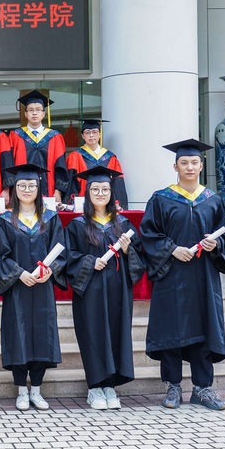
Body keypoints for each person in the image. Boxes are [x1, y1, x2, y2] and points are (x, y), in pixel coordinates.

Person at [140, 139, 225, 410]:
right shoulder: (161, 198)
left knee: (204, 328)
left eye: (194, 162)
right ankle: (173, 387)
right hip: (172, 274)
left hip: (203, 275)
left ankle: (202, 388)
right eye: (184, 163)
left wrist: (215, 245)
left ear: (201, 166)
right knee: (171, 329)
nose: (190, 167)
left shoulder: (212, 200)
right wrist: (172, 249)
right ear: (176, 166)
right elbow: (148, 233)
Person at [65, 166, 145, 410]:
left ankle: (110, 386)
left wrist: (127, 249)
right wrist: (90, 262)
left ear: (112, 193)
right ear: (88, 193)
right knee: (93, 333)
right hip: (90, 291)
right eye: (95, 189)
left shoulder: (123, 224)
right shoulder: (77, 225)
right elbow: (68, 257)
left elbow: (140, 257)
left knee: (116, 333)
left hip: (118, 290)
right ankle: (94, 387)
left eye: (105, 189)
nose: (100, 193)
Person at [0, 163, 67, 411]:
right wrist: (19, 273)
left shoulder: (51, 218)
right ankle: (21, 391)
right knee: (19, 336)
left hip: (42, 287)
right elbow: (1, 255)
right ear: (14, 189)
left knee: (41, 336)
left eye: (31, 185)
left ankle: (36, 390)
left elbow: (60, 251)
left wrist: (50, 270)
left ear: (39, 188)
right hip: (18, 288)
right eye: (22, 185)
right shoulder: (5, 220)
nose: (27, 189)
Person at [8, 91, 69, 203]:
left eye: (38, 110)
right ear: (25, 114)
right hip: (22, 190)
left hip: (49, 191)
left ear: (43, 113)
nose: (34, 113)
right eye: (31, 110)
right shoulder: (15, 136)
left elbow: (60, 166)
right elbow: (10, 165)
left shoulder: (55, 137)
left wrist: (58, 190)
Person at [66, 119, 129, 208]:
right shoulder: (75, 156)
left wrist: (118, 205)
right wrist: (73, 204)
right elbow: (71, 185)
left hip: (106, 205)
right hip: (83, 205)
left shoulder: (110, 158)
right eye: (87, 132)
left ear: (99, 134)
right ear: (83, 136)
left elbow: (118, 185)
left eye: (95, 132)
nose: (91, 135)